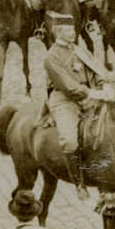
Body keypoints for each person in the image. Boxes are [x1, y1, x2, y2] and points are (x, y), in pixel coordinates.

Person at [42, 12, 97, 197]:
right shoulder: (51, 57)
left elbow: (95, 69)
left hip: (88, 95)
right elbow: (67, 85)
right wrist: (91, 93)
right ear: (58, 32)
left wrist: (103, 85)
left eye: (73, 29)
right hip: (64, 99)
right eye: (68, 30)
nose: (73, 32)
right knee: (70, 140)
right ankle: (79, 183)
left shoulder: (79, 50)